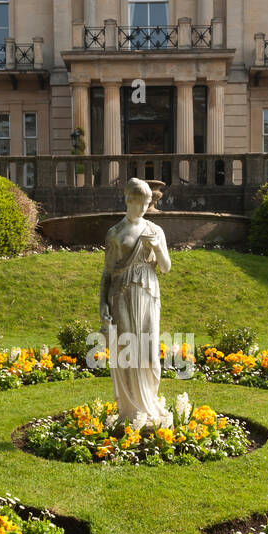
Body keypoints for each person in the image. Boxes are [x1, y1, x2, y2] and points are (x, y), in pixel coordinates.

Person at [99, 178, 172, 428]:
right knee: (127, 352)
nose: (144, 209)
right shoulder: (115, 233)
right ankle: (131, 411)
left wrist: (159, 249)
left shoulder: (155, 231)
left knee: (150, 354)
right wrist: (102, 307)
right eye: (140, 203)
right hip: (121, 293)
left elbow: (166, 267)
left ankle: (149, 404)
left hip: (149, 292)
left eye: (147, 204)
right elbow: (107, 274)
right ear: (128, 200)